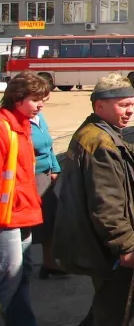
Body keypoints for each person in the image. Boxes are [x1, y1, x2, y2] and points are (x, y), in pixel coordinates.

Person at [53, 73, 134, 326]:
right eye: (123, 105)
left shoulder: (97, 132)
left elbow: (127, 157)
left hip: (97, 243)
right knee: (116, 312)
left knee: (106, 304)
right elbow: (106, 205)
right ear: (100, 105)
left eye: (132, 104)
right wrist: (125, 247)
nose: (130, 111)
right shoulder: (100, 143)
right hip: (106, 248)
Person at [0, 71, 48, 326]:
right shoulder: (4, 127)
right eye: (36, 98)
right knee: (9, 275)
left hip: (21, 212)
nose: (41, 104)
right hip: (6, 218)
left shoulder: (23, 125)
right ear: (18, 98)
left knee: (21, 274)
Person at [29, 108, 67, 280]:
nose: (41, 104)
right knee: (27, 225)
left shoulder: (39, 116)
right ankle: (18, 268)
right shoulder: (14, 120)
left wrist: (55, 167)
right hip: (28, 177)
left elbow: (48, 144)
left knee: (50, 220)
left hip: (45, 175)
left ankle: (49, 262)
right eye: (37, 99)